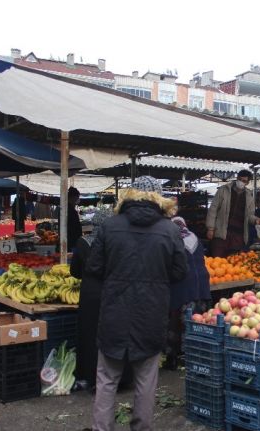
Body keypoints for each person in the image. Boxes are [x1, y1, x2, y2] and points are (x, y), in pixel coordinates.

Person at [87, 175, 188, 431]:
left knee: (107, 378)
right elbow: (179, 272)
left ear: (129, 194)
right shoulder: (169, 230)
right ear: (159, 197)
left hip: (114, 311)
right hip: (151, 313)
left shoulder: (110, 226)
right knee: (146, 379)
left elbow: (94, 267)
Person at [70, 207, 114, 390]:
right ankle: (111, 377)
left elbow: (75, 272)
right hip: (111, 293)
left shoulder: (83, 242)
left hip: (89, 294)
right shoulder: (114, 243)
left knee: (88, 334)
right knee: (109, 336)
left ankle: (88, 375)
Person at [165, 216, 211, 370]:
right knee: (196, 321)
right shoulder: (194, 237)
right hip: (201, 284)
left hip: (183, 285)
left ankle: (178, 357)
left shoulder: (173, 239)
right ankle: (196, 356)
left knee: (178, 322)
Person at [206, 170, 260, 257]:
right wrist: (210, 228)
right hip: (222, 232)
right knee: (217, 260)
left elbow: (250, 215)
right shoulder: (223, 190)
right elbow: (213, 209)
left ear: (247, 183)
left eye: (244, 181)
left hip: (238, 235)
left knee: (233, 261)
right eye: (240, 179)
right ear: (237, 178)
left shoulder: (249, 196)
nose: (241, 182)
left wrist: (256, 220)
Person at [67, 187, 83, 252]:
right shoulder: (70, 210)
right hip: (72, 241)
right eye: (77, 197)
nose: (78, 199)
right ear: (72, 197)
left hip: (72, 240)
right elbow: (73, 227)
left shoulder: (70, 208)